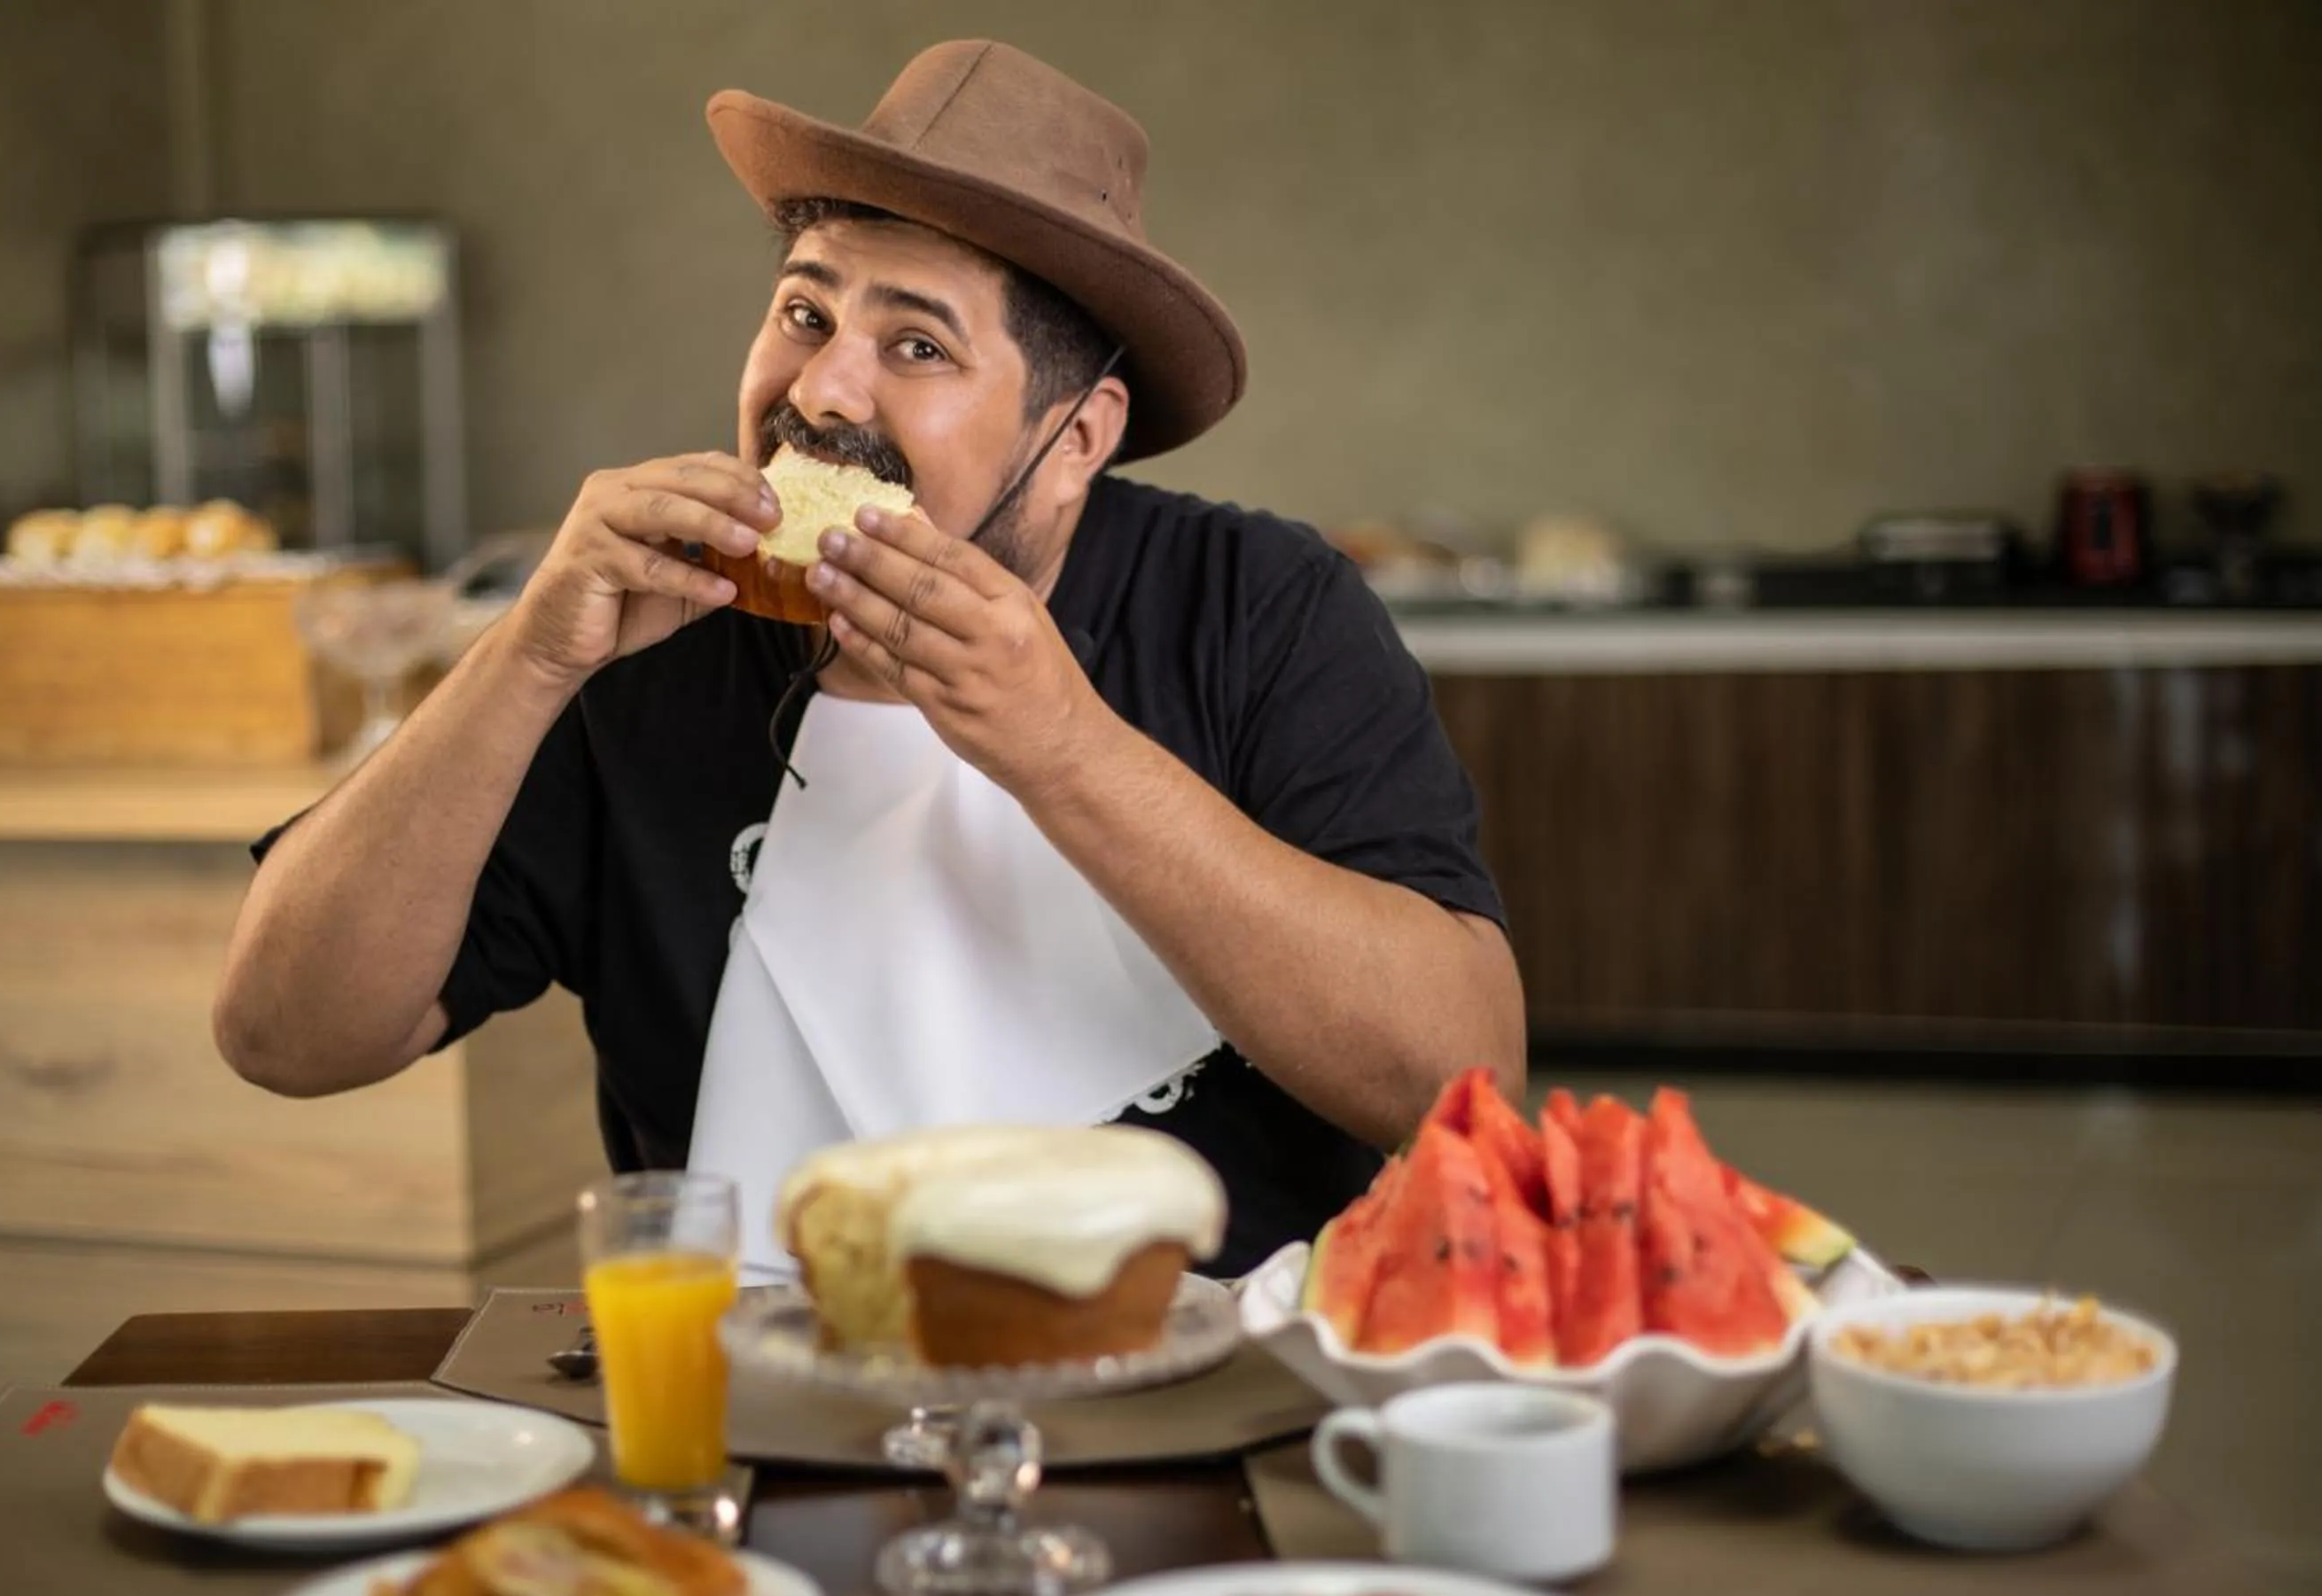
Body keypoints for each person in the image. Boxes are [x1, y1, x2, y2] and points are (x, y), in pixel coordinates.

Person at [214, 41, 1525, 1278]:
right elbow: (282, 1036)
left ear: (1077, 439)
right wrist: (526, 659)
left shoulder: (1259, 609)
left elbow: (1460, 1082)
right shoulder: (641, 641)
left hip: (1206, 1401)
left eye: (916, 346)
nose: (825, 392)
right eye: (803, 312)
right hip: (753, 1406)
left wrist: (1062, 747)